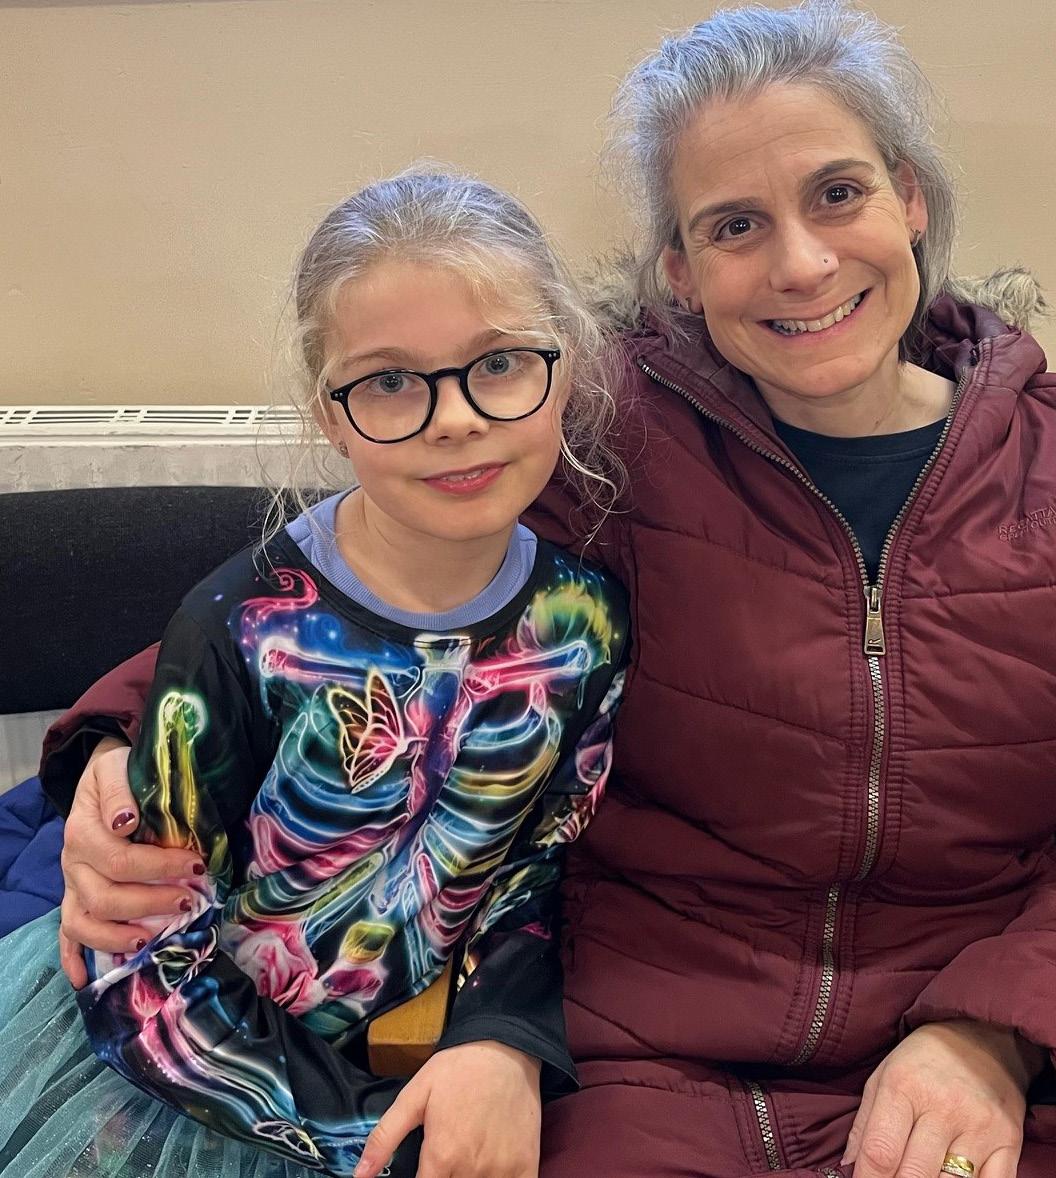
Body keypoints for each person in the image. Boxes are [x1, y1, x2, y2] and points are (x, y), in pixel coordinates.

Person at [32, 1, 1056, 1175]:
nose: (802, 262)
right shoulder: (603, 439)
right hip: (637, 1055)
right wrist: (114, 748)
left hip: (981, 1049)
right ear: (679, 271)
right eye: (735, 224)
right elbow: (350, 589)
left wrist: (997, 1031)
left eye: (838, 193)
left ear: (909, 197)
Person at [0, 169, 630, 1178]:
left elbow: (536, 865)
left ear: (567, 373)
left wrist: (499, 1035)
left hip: (402, 1049)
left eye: (500, 362)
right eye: (389, 381)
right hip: (191, 1075)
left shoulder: (587, 623)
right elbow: (140, 961)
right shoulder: (241, 630)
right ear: (328, 412)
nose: (454, 418)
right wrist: (369, 1133)